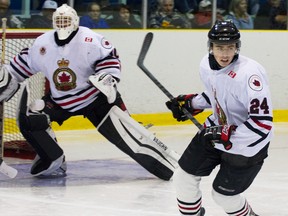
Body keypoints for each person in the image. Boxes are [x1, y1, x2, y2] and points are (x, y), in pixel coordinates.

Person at [0, 4, 179, 180]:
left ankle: (165, 165)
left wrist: (107, 77)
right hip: (60, 101)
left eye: (66, 20)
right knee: (32, 117)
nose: (63, 24)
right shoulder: (43, 43)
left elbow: (109, 60)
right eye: (59, 20)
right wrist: (5, 78)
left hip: (94, 99)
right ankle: (54, 159)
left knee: (130, 138)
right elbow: (18, 68)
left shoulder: (90, 39)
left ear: (76, 21)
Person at [166, 20, 273, 215]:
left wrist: (227, 134)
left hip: (247, 144)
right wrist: (191, 104)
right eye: (219, 47)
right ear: (210, 47)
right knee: (183, 177)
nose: (224, 54)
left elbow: (262, 123)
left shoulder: (249, 75)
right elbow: (216, 94)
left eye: (230, 47)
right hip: (214, 130)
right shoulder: (205, 65)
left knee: (223, 196)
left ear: (237, 47)